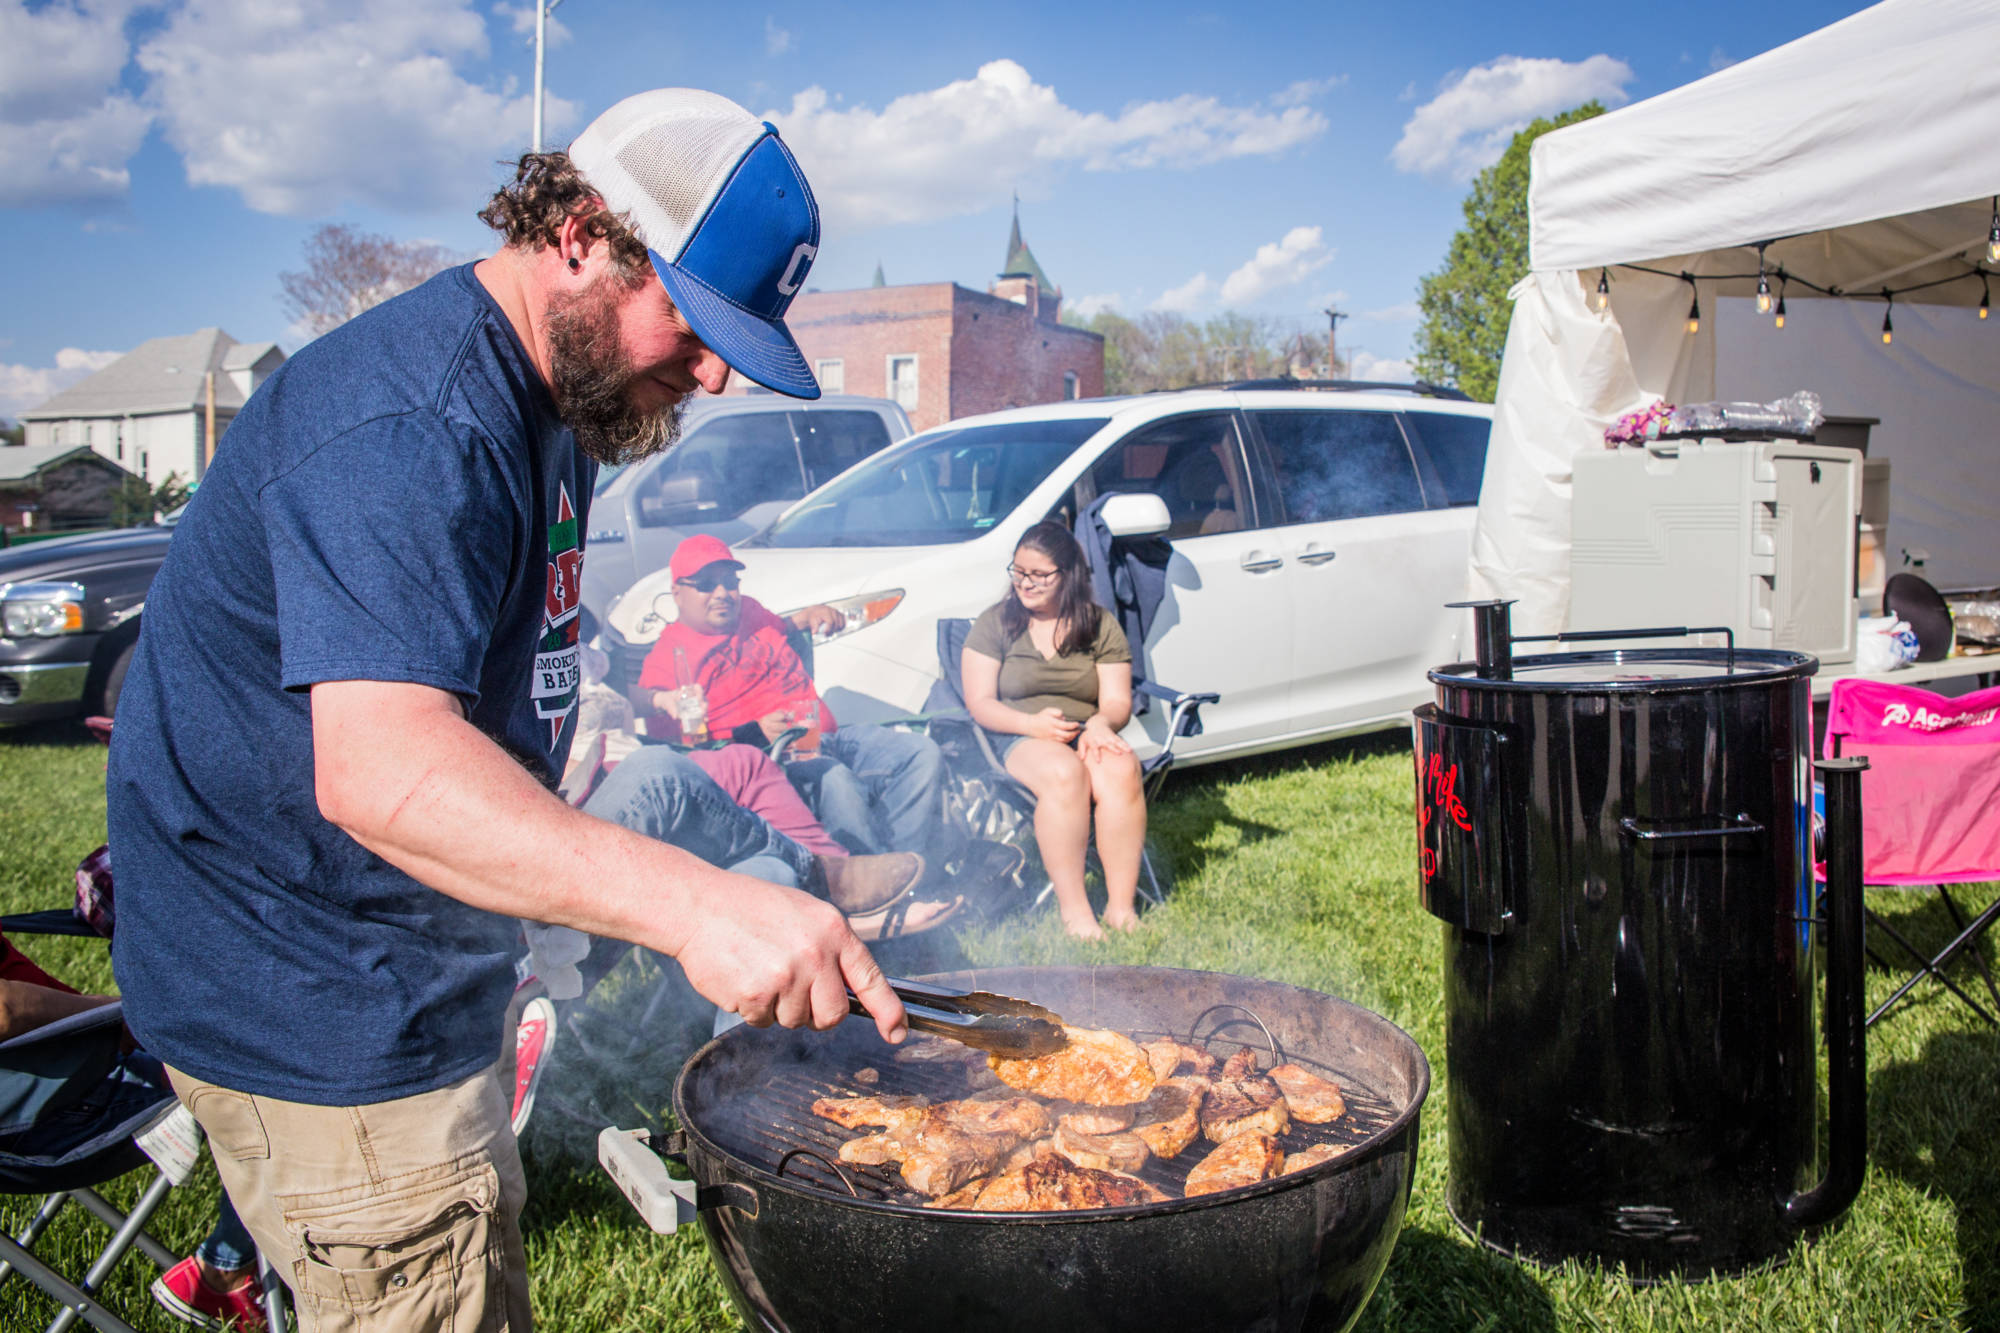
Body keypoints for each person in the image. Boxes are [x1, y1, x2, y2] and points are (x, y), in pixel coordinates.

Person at [105, 89, 909, 1332]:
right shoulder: (418, 424)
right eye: (692, 326)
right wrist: (697, 903)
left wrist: (533, 881)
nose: (706, 373)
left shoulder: (559, 404)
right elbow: (382, 773)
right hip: (334, 1019)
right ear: (583, 229)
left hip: (397, 967)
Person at [638, 534, 968, 878]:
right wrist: (756, 734)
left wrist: (810, 614)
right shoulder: (668, 662)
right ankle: (867, 889)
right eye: (706, 584)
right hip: (777, 763)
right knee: (836, 781)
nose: (722, 593)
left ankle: (906, 871)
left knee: (918, 753)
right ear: (678, 593)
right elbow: (689, 761)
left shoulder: (749, 610)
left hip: (828, 737)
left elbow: (783, 625)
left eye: (729, 582)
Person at [0, 929, 268, 1330]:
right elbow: (4, 1010)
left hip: (54, 1086)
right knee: (280, 1081)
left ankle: (229, 1271)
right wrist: (115, 1018)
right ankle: (226, 1274)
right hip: (33, 1124)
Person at [962, 521, 1145, 940]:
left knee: (1120, 767)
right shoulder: (996, 624)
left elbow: (1117, 698)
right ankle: (1076, 913)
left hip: (1082, 729)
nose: (1025, 583)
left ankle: (1122, 910)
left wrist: (1101, 722)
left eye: (1039, 575)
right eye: (1019, 571)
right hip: (1013, 733)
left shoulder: (1099, 624)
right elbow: (980, 702)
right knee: (1065, 774)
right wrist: (1030, 724)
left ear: (1069, 574)